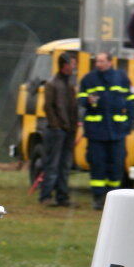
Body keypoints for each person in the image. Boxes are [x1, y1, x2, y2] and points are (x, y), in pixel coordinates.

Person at [78, 51, 134, 210]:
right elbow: (80, 99)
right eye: (97, 61)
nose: (99, 64)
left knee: (116, 165)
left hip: (117, 132)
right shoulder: (88, 79)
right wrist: (88, 100)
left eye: (102, 61)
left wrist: (129, 123)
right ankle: (98, 198)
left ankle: (114, 198)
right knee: (97, 165)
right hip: (96, 132)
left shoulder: (122, 78)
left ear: (110, 62)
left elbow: (132, 99)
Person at [38, 52, 79, 206]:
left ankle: (63, 197)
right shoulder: (52, 84)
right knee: (52, 164)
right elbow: (47, 107)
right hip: (56, 131)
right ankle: (45, 196)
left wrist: (73, 128)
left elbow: (73, 108)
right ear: (64, 65)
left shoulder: (70, 85)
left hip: (69, 131)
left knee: (65, 165)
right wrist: (57, 126)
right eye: (72, 64)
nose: (74, 67)